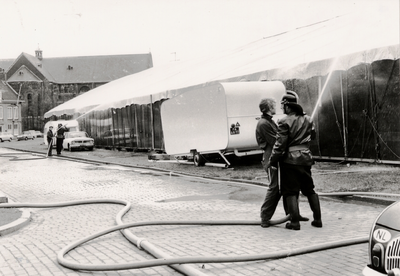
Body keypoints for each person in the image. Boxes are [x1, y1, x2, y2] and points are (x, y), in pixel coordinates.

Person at [267, 91, 322, 231]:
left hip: (290, 161)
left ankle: (294, 222)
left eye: (283, 105)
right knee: (310, 190)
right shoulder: (308, 119)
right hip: (306, 159)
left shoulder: (284, 121)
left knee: (290, 192)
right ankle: (317, 219)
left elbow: (279, 145)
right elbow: (313, 136)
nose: (281, 108)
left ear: (288, 106)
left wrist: (272, 161)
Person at [256, 98, 308, 228]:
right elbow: (276, 141)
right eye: (273, 106)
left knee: (288, 186)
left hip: (278, 158)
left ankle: (293, 214)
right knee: (275, 188)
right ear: (267, 108)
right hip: (271, 160)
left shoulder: (268, 121)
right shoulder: (264, 123)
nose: (276, 108)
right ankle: (265, 217)